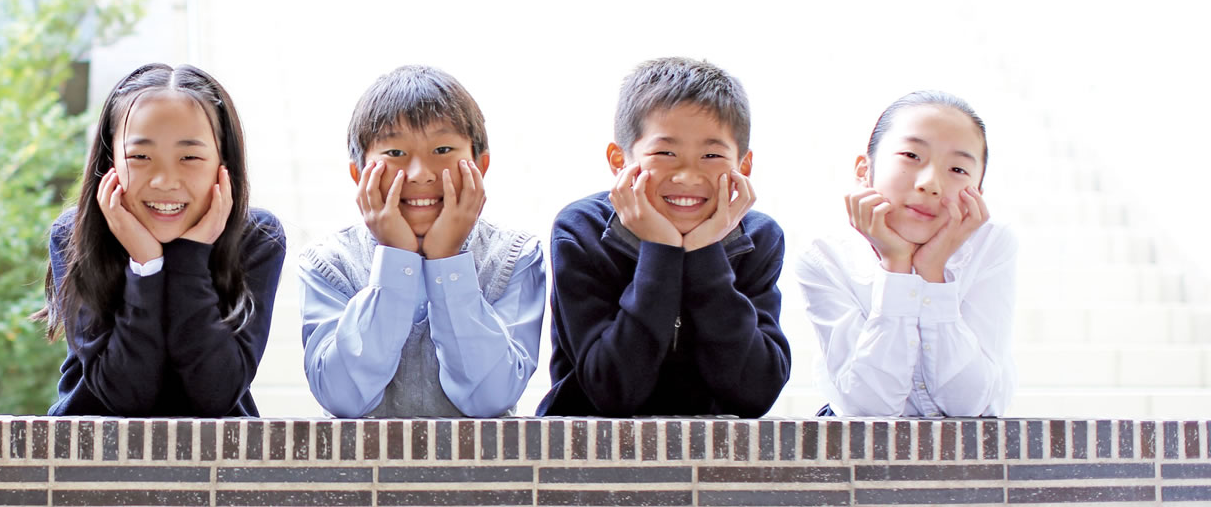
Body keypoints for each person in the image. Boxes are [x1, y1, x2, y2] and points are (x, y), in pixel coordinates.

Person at [537, 57, 789, 417]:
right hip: (591, 459)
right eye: (665, 152)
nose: (687, 175)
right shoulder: (582, 230)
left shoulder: (758, 238)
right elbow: (612, 391)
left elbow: (755, 394)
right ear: (619, 160)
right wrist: (661, 250)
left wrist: (705, 252)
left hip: (713, 462)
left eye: (712, 155)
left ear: (742, 166)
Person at [299, 65, 545, 417]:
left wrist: (446, 261)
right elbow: (343, 397)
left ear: (480, 165)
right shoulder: (328, 262)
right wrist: (397, 259)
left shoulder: (516, 256)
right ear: (358, 173)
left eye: (443, 148)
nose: (420, 174)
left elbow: (490, 397)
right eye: (395, 154)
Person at [41, 63, 285, 416]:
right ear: (111, 161)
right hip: (85, 458)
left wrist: (188, 258)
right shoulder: (75, 234)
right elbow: (124, 397)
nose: (165, 180)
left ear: (224, 161)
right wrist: (146, 265)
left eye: (190, 157)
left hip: (218, 463)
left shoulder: (257, 237)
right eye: (140, 157)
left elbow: (215, 395)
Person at [797, 91, 1016, 416]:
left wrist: (933, 273)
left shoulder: (990, 245)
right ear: (863, 169)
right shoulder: (825, 256)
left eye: (957, 169)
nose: (931, 184)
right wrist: (896, 267)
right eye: (911, 156)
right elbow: (868, 410)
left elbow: (968, 405)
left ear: (978, 193)